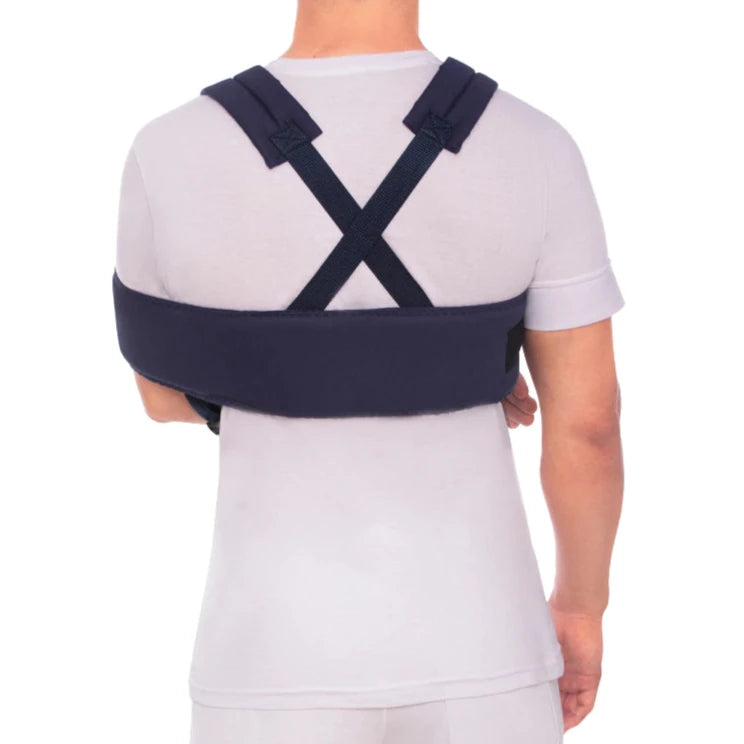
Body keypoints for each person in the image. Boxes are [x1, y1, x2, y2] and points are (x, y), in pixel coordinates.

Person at [113, 1, 625, 741]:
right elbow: (589, 426)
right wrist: (581, 607)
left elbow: (160, 394)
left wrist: (333, 372)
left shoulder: (168, 149)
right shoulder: (535, 143)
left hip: (266, 657)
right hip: (488, 646)